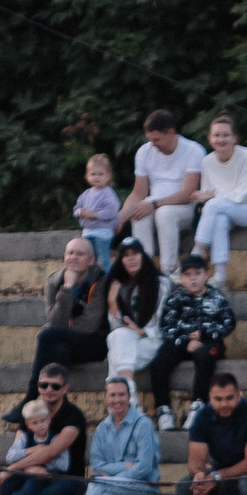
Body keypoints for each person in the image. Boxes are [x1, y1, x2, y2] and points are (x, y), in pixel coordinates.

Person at [48, 374, 159, 495]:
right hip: (115, 488)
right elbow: (97, 465)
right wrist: (125, 466)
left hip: (143, 488)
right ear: (106, 398)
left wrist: (113, 474)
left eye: (121, 395)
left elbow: (144, 468)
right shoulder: (102, 428)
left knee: (98, 483)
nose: (117, 400)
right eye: (113, 395)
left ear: (129, 397)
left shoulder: (143, 424)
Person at [0, 371, 87, 495]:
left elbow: (51, 454)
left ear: (65, 388)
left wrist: (11, 469)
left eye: (55, 386)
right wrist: (26, 467)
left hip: (67, 479)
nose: (49, 390)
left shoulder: (73, 416)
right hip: (35, 475)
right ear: (38, 387)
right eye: (44, 385)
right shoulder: (32, 412)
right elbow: (15, 451)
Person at [149, 252, 235, 427]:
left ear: (206, 274)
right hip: (182, 342)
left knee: (205, 356)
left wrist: (205, 333)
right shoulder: (175, 298)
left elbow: (229, 323)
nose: (193, 279)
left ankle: (198, 404)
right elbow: (166, 326)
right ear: (181, 278)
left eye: (197, 274)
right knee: (159, 362)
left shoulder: (216, 297)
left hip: (210, 343)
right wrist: (185, 341)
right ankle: (163, 408)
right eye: (187, 275)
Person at [118, 109, 204, 274]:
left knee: (164, 214)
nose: (153, 144)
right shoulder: (144, 151)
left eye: (156, 139)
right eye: (150, 140)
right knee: (138, 213)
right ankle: (144, 269)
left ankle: (168, 270)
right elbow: (138, 193)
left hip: (184, 207)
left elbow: (187, 194)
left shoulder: (193, 151)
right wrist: (121, 217)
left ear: (171, 133)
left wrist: (154, 204)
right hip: (154, 203)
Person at [192, 115, 247, 286]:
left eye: (226, 135)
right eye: (216, 135)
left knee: (215, 204)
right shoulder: (207, 162)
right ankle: (220, 274)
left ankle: (196, 253)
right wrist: (206, 196)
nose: (221, 139)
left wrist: (212, 196)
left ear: (235, 138)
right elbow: (209, 194)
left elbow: (243, 192)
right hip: (223, 210)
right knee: (220, 218)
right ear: (209, 138)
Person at [34, 235, 110, 380]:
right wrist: (67, 288)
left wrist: (55, 331)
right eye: (70, 253)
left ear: (91, 260)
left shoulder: (101, 280)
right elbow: (56, 322)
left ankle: (33, 393)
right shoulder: (54, 282)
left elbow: (89, 325)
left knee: (46, 335)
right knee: (59, 350)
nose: (73, 257)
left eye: (80, 254)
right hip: (65, 345)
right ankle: (54, 393)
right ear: (64, 257)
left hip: (94, 343)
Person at [102, 235, 164, 387]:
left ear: (143, 256)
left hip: (153, 339)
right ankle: (129, 395)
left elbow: (164, 320)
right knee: (119, 338)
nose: (131, 259)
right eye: (126, 255)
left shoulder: (162, 284)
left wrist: (141, 331)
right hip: (128, 340)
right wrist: (112, 301)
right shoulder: (118, 285)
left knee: (115, 354)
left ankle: (120, 402)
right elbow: (117, 328)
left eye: (135, 253)